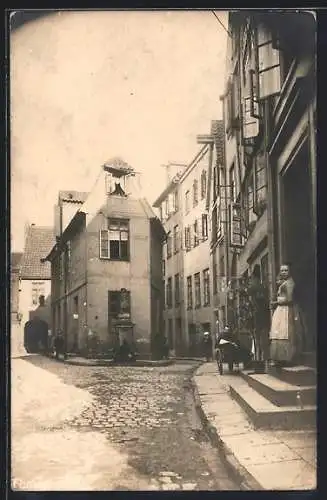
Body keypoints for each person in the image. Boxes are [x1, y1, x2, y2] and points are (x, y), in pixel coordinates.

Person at [269, 264, 304, 366]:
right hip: (280, 310)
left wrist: (276, 302)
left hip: (285, 309)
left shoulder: (289, 283)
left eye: (286, 270)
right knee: (279, 332)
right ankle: (280, 358)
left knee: (285, 332)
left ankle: (287, 358)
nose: (283, 272)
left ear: (290, 271)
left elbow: (289, 299)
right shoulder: (283, 282)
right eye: (282, 270)